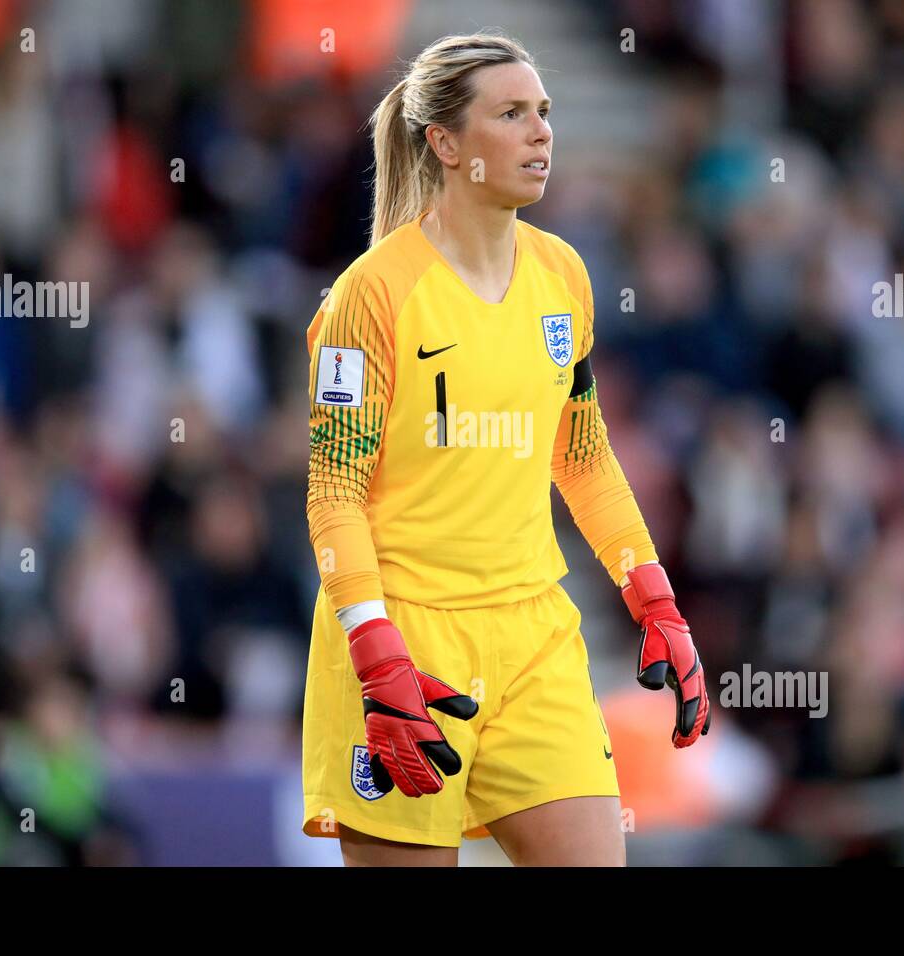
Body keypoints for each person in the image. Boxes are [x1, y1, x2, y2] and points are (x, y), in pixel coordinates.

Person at [301, 31, 711, 867]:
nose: (541, 133)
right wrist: (376, 649)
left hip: (536, 639)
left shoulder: (565, 275)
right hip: (406, 638)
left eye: (546, 113)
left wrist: (654, 599)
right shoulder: (370, 295)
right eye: (513, 114)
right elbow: (332, 488)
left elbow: (585, 456)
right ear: (447, 145)